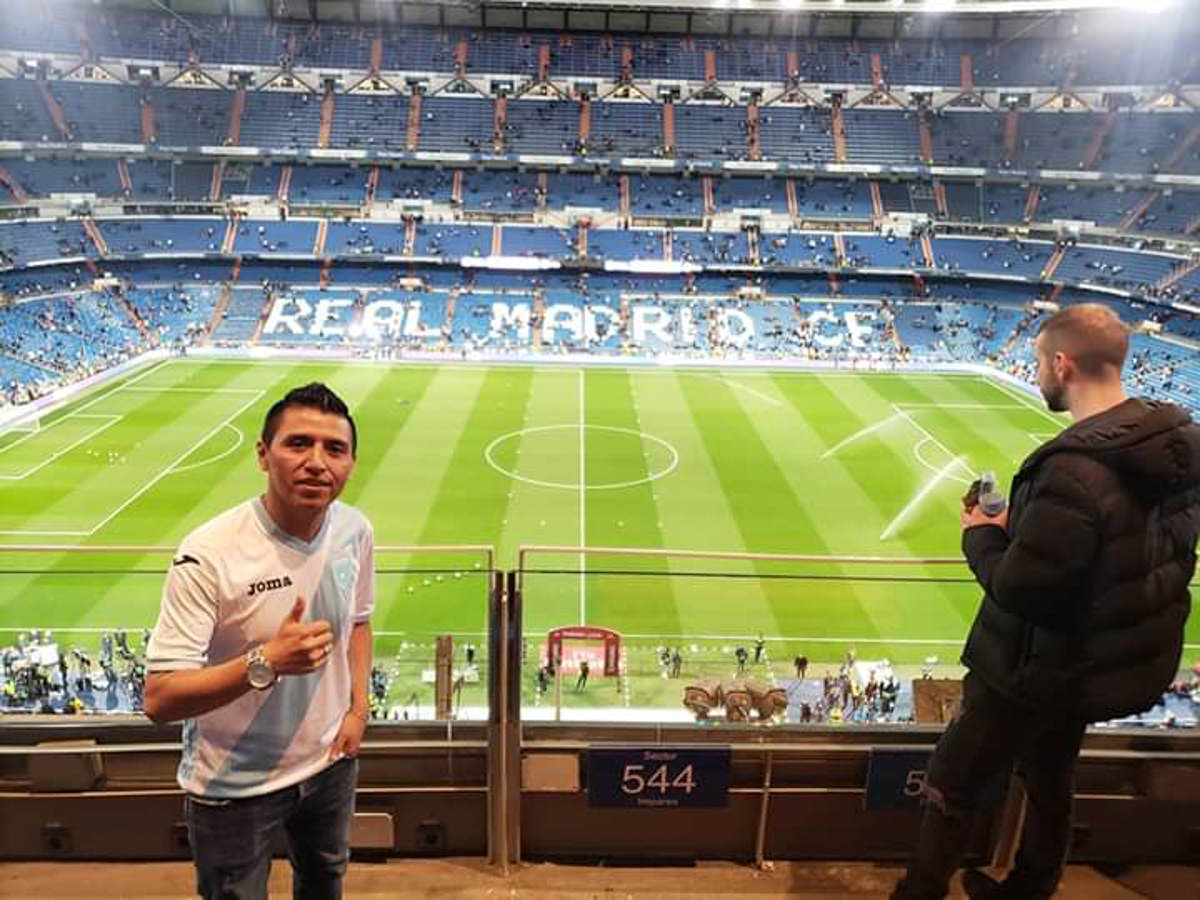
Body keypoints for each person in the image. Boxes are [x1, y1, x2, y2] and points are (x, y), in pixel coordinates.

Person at [892, 305, 1200, 900]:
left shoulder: (1075, 470)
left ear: (1063, 364)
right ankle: (1032, 887)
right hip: (1101, 662)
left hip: (1035, 668)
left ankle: (920, 894)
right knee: (1051, 777)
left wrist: (981, 533)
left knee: (951, 784)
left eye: (1037, 362)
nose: (1035, 373)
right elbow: (1116, 550)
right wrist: (1031, 526)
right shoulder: (1175, 446)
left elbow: (1022, 587)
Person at [144, 383, 374, 900]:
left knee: (325, 882)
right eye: (299, 443)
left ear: (351, 463)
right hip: (235, 784)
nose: (317, 462)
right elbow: (159, 698)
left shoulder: (354, 530)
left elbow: (359, 622)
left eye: (334, 449)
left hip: (329, 764)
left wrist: (358, 712)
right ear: (263, 454)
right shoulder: (209, 553)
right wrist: (265, 661)